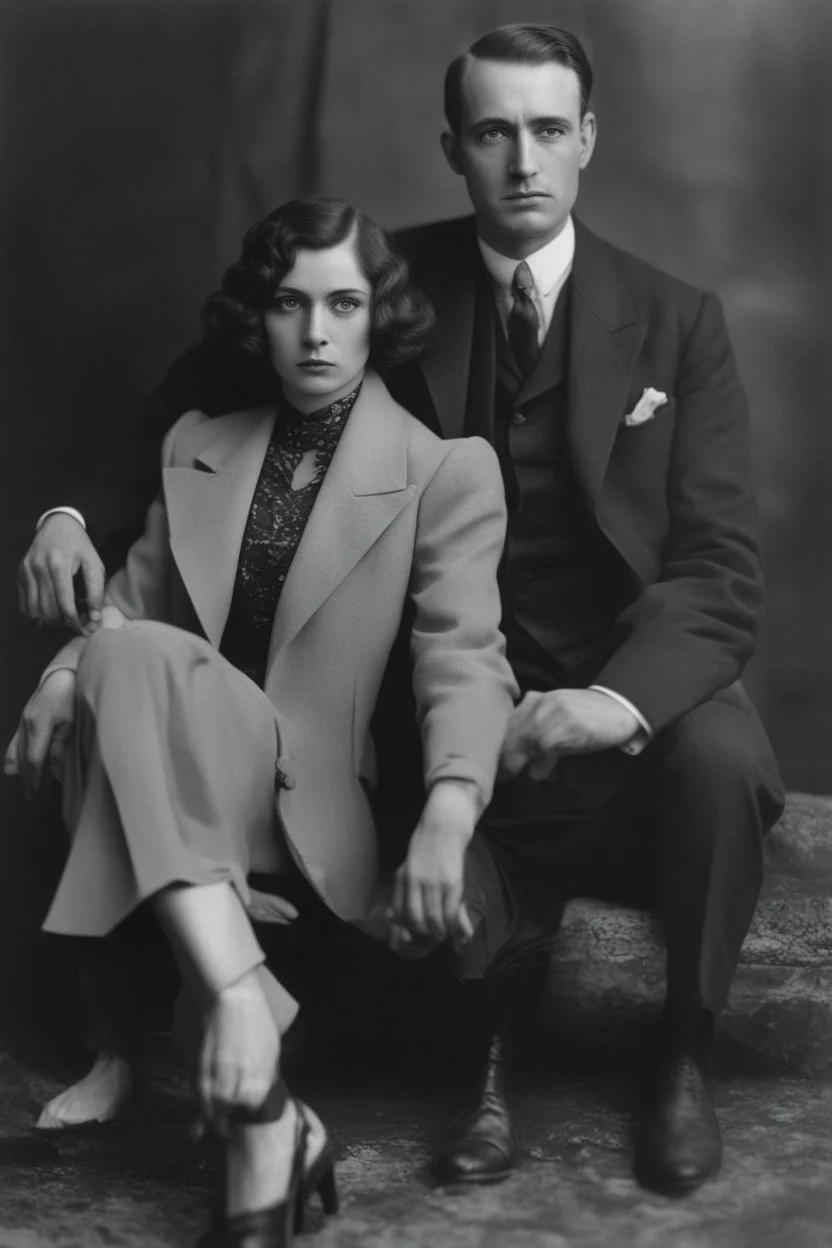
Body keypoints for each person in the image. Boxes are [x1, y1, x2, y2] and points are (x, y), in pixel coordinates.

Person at [17, 24, 785, 1197]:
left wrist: (613, 700)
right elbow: (188, 401)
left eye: (544, 131)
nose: (520, 161)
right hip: (426, 680)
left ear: (586, 140)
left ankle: (680, 1049)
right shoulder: (370, 283)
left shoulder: (676, 319)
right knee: (391, 810)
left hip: (623, 672)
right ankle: (442, 1057)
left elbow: (720, 565)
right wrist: (71, 517)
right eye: (491, 133)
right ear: (452, 149)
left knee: (723, 759)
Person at [6, 195, 517, 1245]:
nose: (316, 332)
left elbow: (464, 661)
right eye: (289, 304)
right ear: (258, 319)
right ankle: (258, 1088)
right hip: (174, 771)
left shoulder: (443, 469)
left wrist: (451, 810)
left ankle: (215, 1021)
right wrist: (67, 670)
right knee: (127, 649)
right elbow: (132, 611)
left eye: (342, 303)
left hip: (298, 801)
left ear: (381, 316)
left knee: (127, 663)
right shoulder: (198, 440)